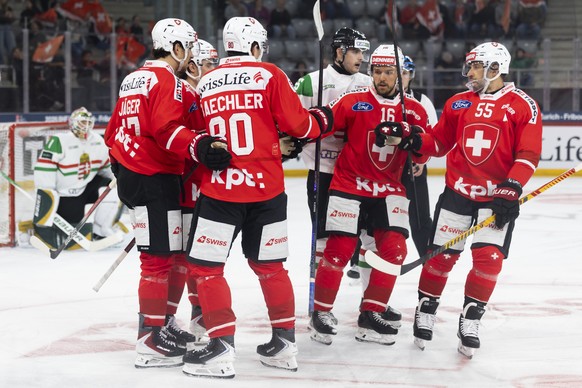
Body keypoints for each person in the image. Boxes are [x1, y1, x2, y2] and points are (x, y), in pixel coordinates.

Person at [181, 16, 332, 379]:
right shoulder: (269, 75)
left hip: (221, 192)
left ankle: (220, 346)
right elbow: (301, 127)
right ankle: (284, 344)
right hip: (267, 192)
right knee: (270, 267)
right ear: (253, 46)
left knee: (206, 268)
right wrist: (323, 119)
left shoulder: (206, 83)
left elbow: (199, 138)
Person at [394, 42, 542, 358]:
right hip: (458, 192)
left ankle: (471, 318)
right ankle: (426, 308)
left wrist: (512, 187)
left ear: (494, 68)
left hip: (496, 198)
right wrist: (414, 139)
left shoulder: (522, 106)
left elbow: (528, 153)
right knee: (441, 257)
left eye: (475, 67)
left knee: (489, 259)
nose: (469, 73)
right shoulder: (458, 103)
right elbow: (439, 141)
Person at [104, 18, 231, 368]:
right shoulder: (167, 81)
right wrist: (200, 144)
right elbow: (165, 130)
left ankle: (159, 327)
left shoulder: (133, 78)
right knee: (157, 261)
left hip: (138, 175)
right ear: (176, 47)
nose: (190, 57)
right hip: (153, 177)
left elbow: (112, 131)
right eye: (187, 48)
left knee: (165, 256)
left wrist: (120, 166)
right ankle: (149, 341)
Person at [308, 44, 430, 346]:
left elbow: (425, 151)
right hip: (349, 183)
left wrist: (413, 143)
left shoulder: (413, 109)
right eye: (377, 71)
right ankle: (320, 313)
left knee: (394, 250)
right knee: (339, 247)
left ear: (403, 75)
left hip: (389, 189)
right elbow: (322, 124)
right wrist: (306, 122)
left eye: (389, 72)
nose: (382, 77)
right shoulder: (353, 100)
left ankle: (370, 313)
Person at [33, 107, 121, 248]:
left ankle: (100, 231)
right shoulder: (60, 140)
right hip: (64, 196)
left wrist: (119, 179)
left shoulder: (98, 141)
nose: (85, 126)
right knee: (70, 220)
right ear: (72, 123)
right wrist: (48, 194)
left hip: (85, 188)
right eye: (81, 122)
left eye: (87, 122)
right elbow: (44, 168)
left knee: (113, 187)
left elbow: (106, 168)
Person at [401, 55, 437, 257]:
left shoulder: (423, 101)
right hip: (383, 168)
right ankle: (358, 259)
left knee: (420, 218)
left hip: (414, 166)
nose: (401, 77)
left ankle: (429, 261)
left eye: (405, 73)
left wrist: (424, 160)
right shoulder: (379, 99)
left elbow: (433, 136)